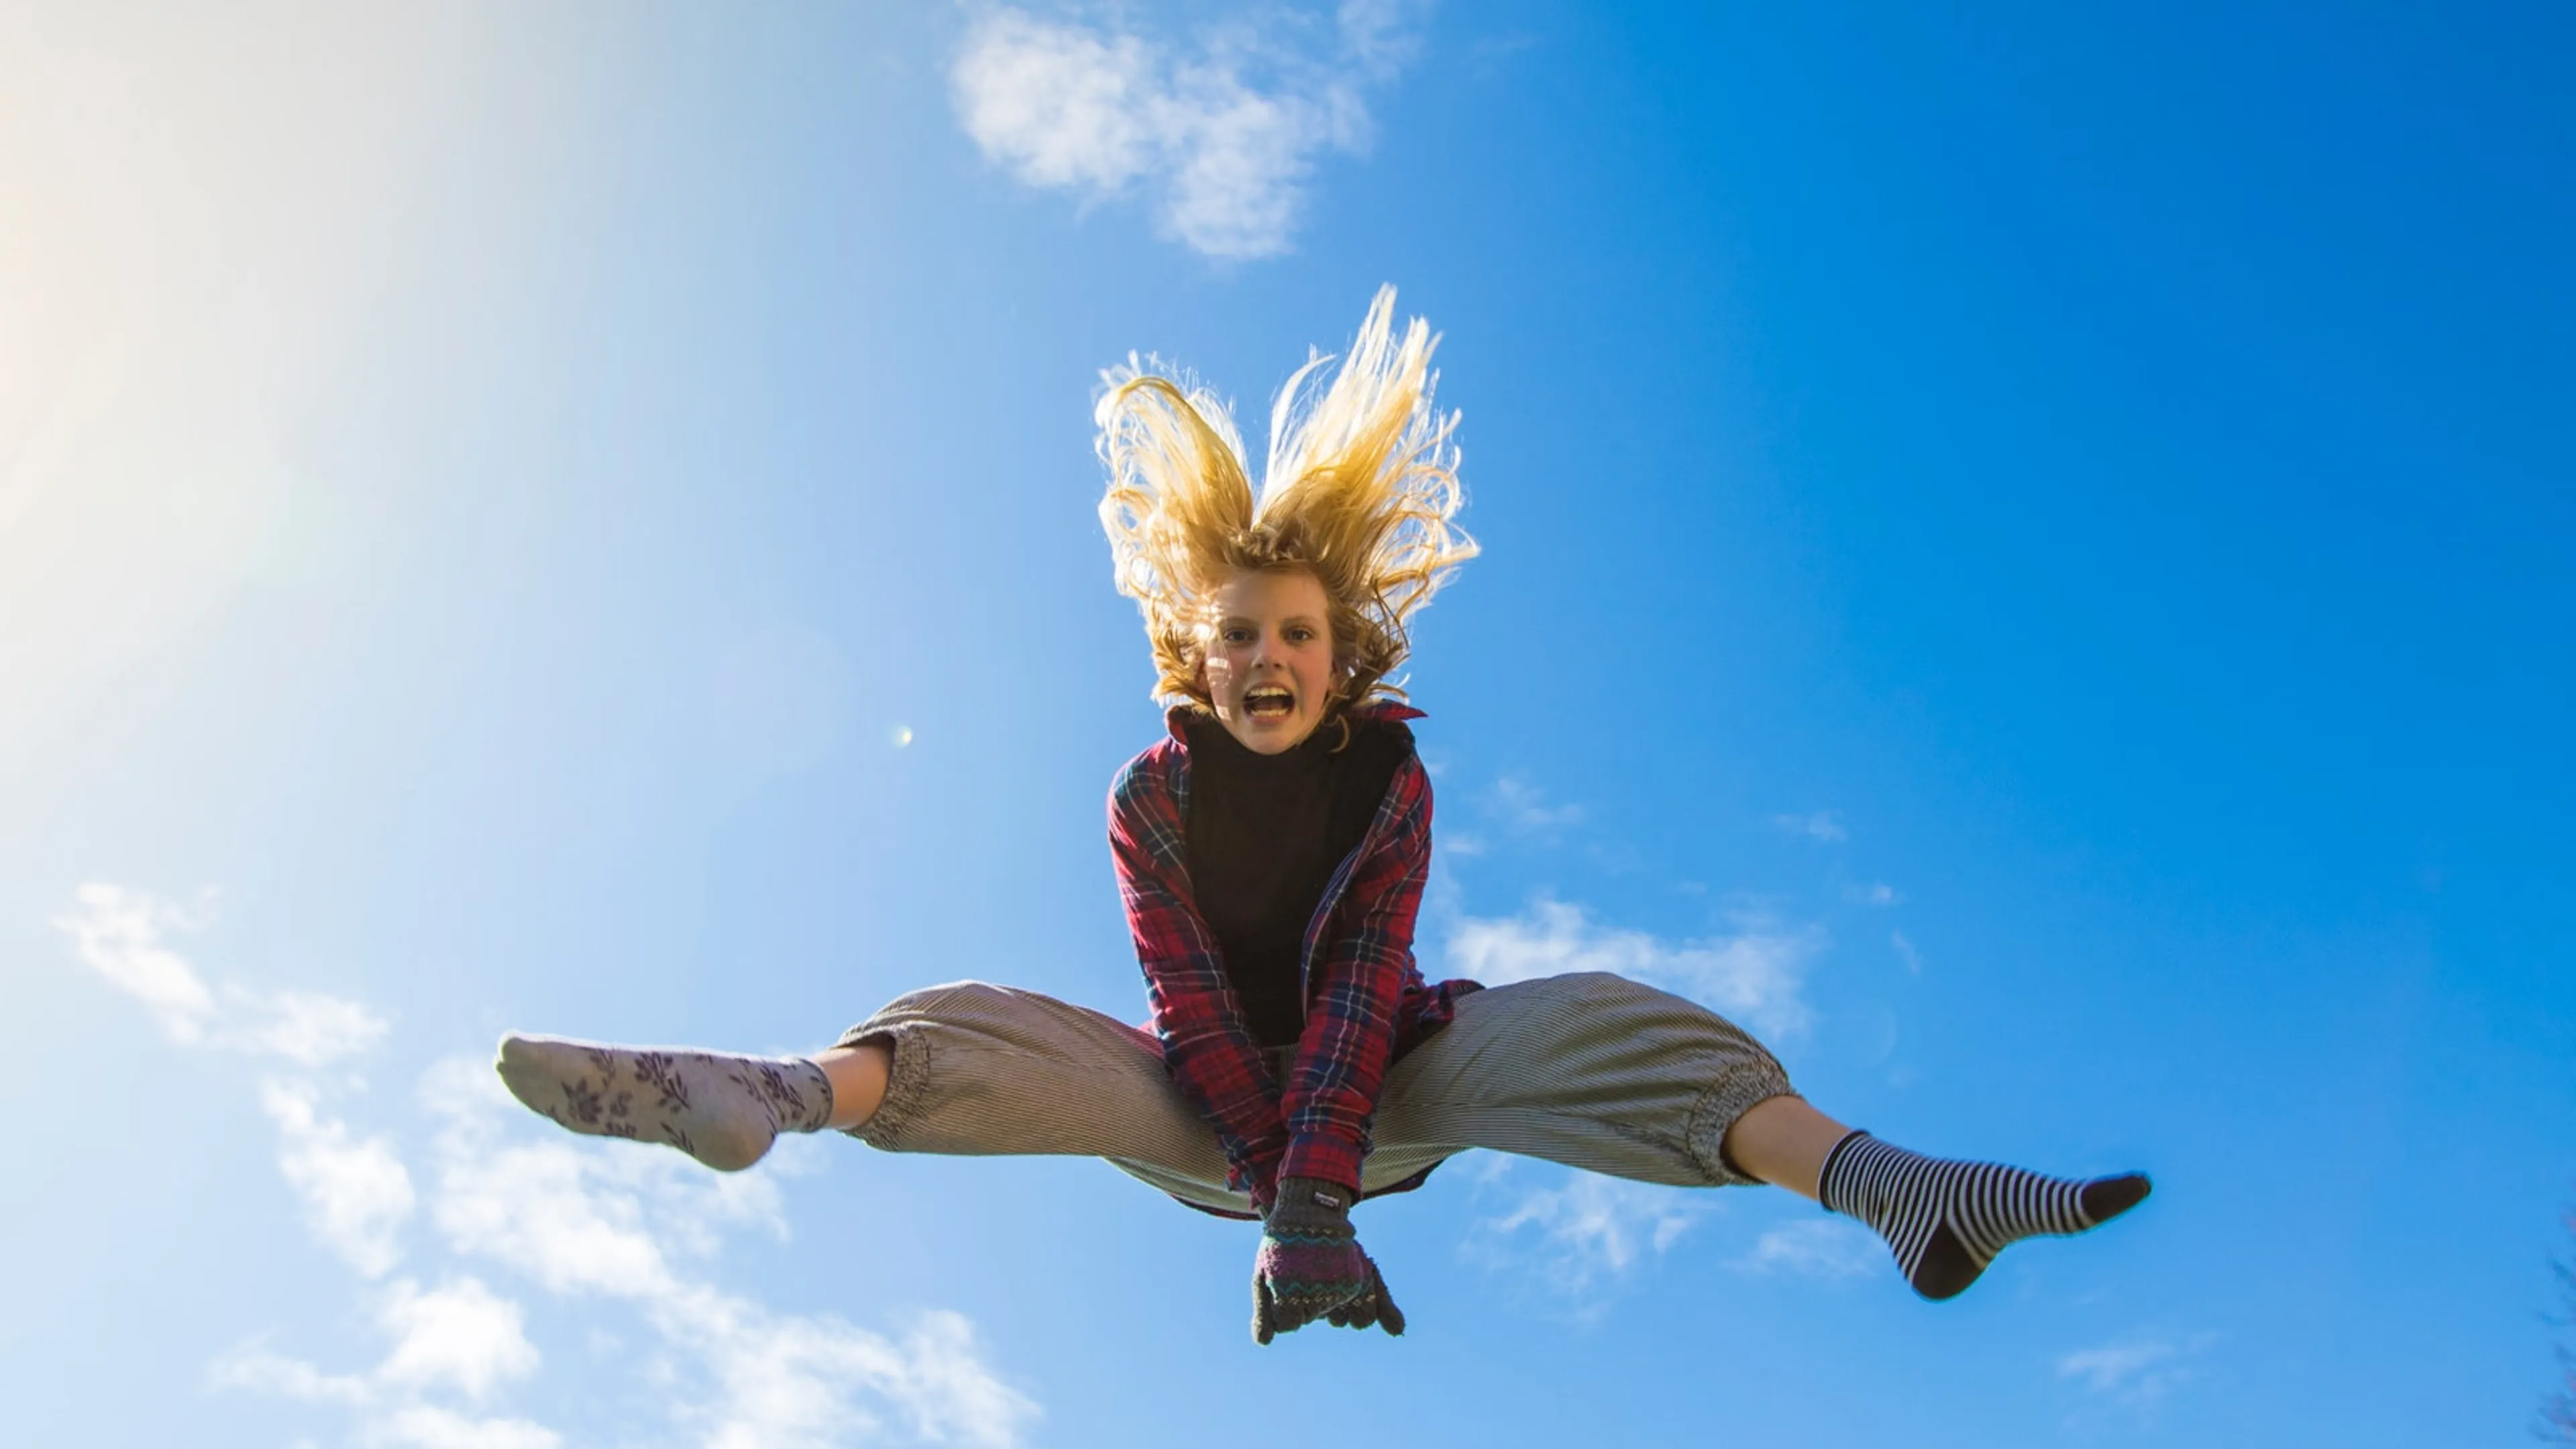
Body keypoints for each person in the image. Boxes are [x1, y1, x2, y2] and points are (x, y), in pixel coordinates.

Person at [495, 288, 2149, 1343]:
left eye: (1298, 635)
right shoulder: (1151, 801)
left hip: (1383, 1108)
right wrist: (1271, 1189)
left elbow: (1364, 991)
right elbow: (1192, 1007)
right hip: (1207, 1115)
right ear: (1192, 658)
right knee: (996, 1023)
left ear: (1339, 653)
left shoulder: (1386, 783)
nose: (1270, 658)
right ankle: (769, 1091)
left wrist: (1321, 1207)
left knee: (1584, 1019)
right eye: (1240, 637)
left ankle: (1891, 1189)